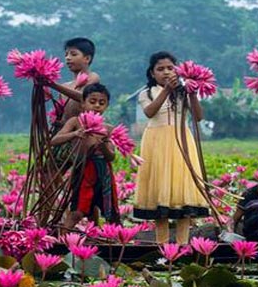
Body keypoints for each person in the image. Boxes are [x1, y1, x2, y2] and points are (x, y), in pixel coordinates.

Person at [133, 51, 209, 245]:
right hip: (156, 142)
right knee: (160, 191)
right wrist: (167, 90)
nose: (166, 72)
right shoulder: (146, 93)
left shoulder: (183, 91)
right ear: (152, 73)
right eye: (160, 69)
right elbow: (150, 112)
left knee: (182, 191)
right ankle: (162, 246)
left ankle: (183, 245)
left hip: (181, 141)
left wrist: (192, 92)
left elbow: (198, 117)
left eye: (170, 68)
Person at [50, 83, 119, 230]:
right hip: (83, 171)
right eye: (92, 101)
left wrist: (102, 145)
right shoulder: (75, 122)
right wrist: (75, 134)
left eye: (102, 103)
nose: (97, 106)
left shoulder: (108, 129)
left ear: (107, 105)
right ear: (82, 103)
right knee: (77, 212)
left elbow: (111, 156)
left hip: (104, 173)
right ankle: (64, 241)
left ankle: (115, 243)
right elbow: (54, 140)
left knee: (112, 213)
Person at [47, 37, 101, 125]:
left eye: (73, 54)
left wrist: (54, 85)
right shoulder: (64, 86)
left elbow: (84, 97)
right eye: (66, 55)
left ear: (87, 58)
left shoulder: (93, 77)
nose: (68, 58)